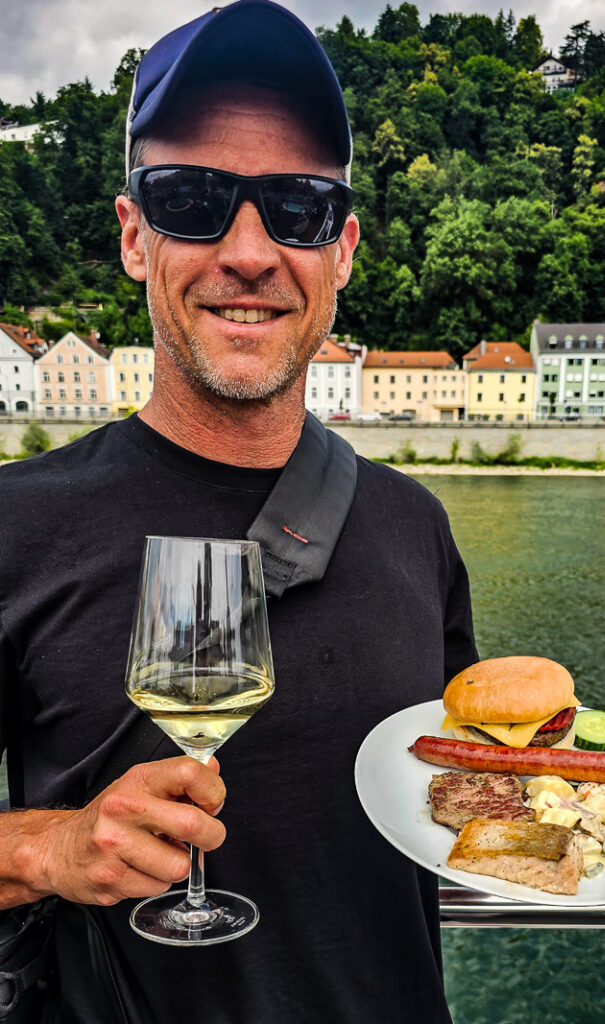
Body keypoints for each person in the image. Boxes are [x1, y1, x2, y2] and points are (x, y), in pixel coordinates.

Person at [0, 2, 477, 1021]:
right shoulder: (13, 524)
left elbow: (465, 793)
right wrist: (48, 845)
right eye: (193, 198)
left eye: (298, 207)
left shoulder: (415, 528)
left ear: (340, 252)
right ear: (135, 237)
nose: (251, 251)